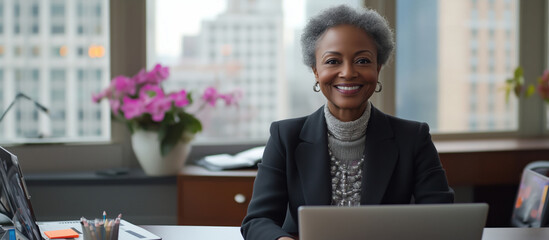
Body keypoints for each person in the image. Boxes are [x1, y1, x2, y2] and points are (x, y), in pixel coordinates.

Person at [240, 5, 454, 240]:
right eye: (333, 61)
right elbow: (258, 221)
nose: (348, 72)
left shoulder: (413, 138)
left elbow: (441, 219)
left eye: (362, 60)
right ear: (315, 70)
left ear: (378, 68)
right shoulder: (285, 136)